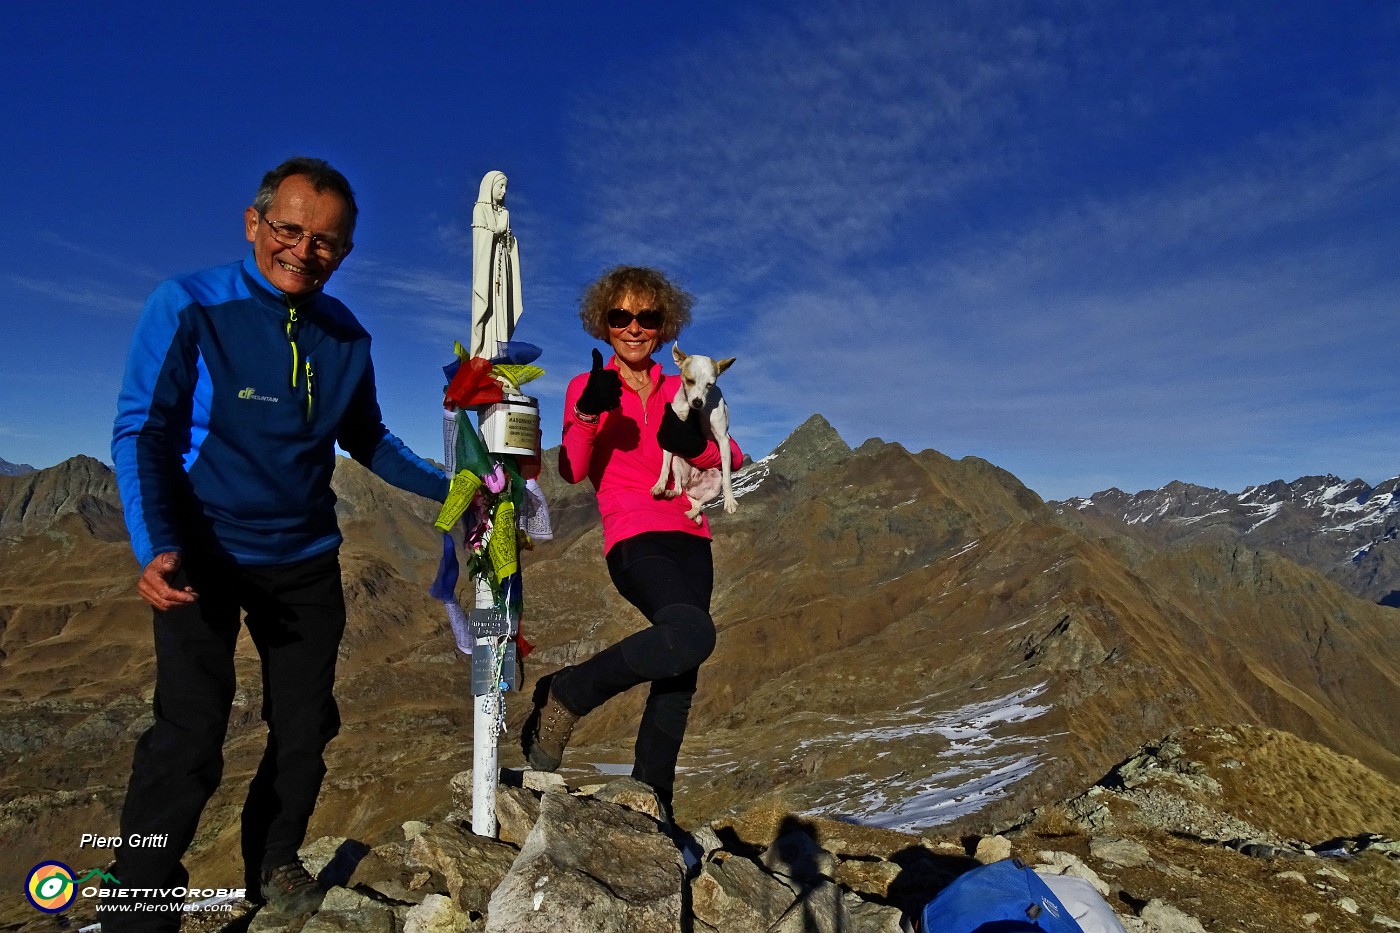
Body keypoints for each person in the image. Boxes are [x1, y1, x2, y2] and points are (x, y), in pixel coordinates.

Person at [108, 157, 448, 925]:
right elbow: (143, 429)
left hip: (302, 562)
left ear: (346, 251)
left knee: (305, 725)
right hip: (201, 553)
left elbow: (369, 440)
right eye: (288, 229)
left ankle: (274, 862)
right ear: (254, 223)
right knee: (190, 730)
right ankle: (139, 901)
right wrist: (155, 542)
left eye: (325, 240)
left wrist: (459, 488)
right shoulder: (189, 305)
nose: (303, 249)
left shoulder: (346, 335)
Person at [523, 265, 742, 819]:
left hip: (692, 534)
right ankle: (567, 694)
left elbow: (731, 457)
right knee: (692, 632)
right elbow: (571, 467)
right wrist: (590, 414)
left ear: (665, 326)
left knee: (681, 670)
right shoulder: (586, 386)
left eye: (648, 317)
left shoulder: (686, 382)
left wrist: (692, 440)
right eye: (621, 316)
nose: (635, 327)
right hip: (633, 532)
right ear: (604, 323)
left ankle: (651, 807)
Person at [469, 170, 522, 359]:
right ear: (489, 187)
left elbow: (509, 245)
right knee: (489, 310)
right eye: (500, 186)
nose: (504, 191)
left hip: (502, 272)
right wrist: (497, 230)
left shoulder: (504, 213)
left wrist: (510, 242)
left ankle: (500, 358)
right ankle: (485, 355)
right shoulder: (480, 209)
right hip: (488, 273)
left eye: (506, 187)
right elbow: (481, 241)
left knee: (502, 309)